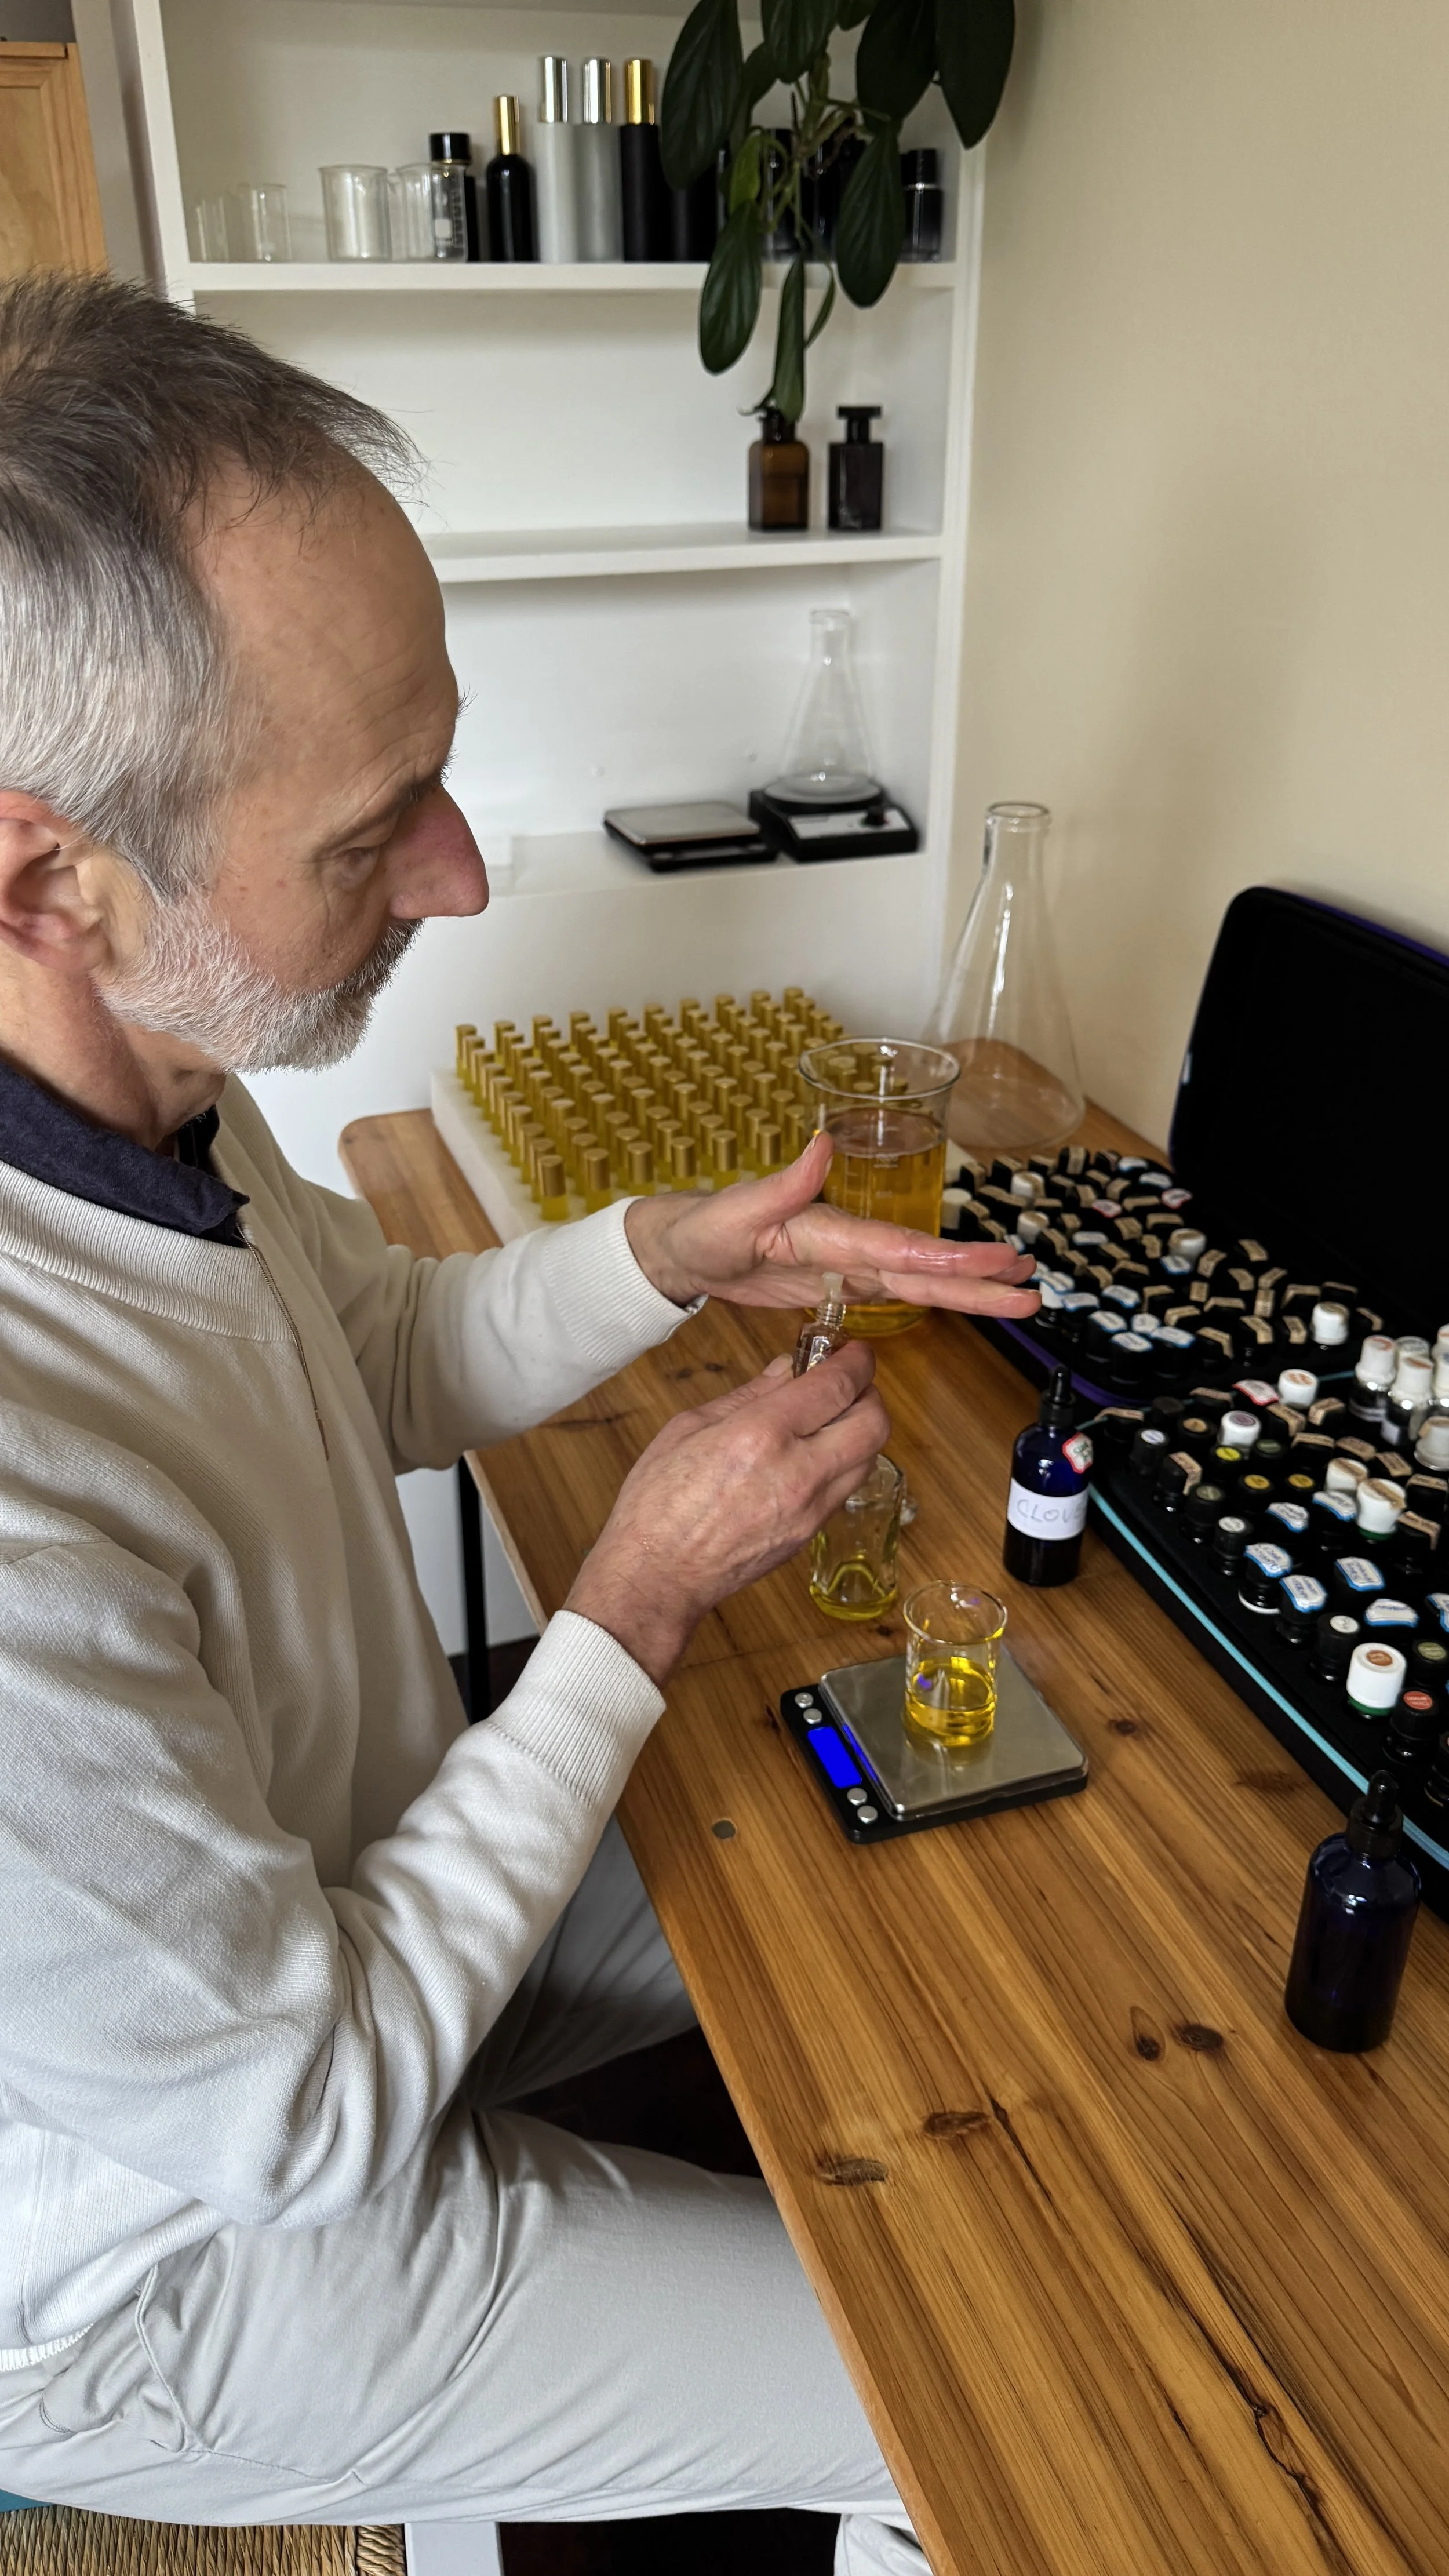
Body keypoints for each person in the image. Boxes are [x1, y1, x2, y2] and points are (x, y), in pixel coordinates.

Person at [0, 274, 1036, 2565]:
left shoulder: (140, 1084)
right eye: (376, 833)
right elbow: (308, 2106)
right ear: (44, 878)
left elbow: (351, 1347)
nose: (461, 873)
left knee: (890, 1831)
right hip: (177, 2243)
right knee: (958, 2403)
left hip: (340, 1913)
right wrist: (632, 1600)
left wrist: (660, 1251)